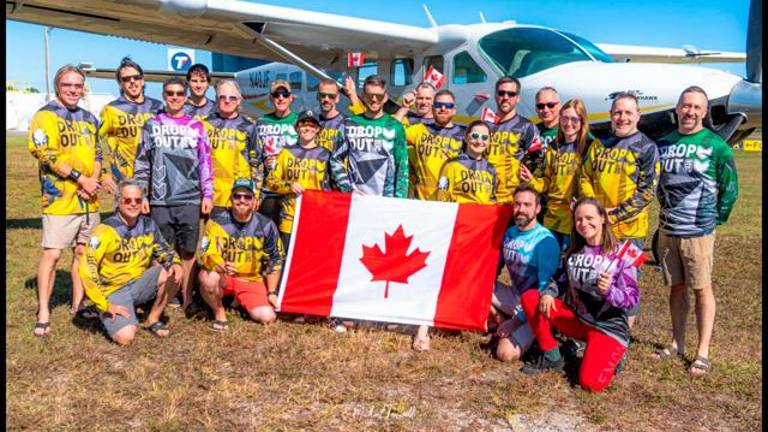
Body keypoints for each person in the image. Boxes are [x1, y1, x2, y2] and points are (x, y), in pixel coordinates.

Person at [652, 86, 739, 376]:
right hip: (667, 230)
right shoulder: (663, 143)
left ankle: (702, 352)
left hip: (698, 232)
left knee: (702, 289)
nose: (690, 112)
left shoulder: (716, 146)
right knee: (675, 288)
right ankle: (677, 343)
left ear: (704, 112)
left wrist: (712, 221)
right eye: (685, 106)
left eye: (696, 107)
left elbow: (730, 189)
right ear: (677, 108)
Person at [519, 198, 639, 393]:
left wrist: (610, 291)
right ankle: (552, 358)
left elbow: (632, 298)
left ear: (602, 218)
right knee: (531, 298)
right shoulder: (574, 251)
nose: (584, 224)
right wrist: (549, 293)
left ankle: (613, 354)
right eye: (578, 219)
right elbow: (557, 281)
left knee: (590, 383)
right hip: (578, 321)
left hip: (607, 329)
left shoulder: (621, 254)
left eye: (589, 218)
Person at [28, 65, 103, 336]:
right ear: (58, 86)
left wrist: (92, 181)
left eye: (78, 85)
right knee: (53, 253)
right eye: (67, 85)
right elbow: (42, 151)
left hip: (88, 200)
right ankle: (44, 310)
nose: (73, 90)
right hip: (59, 199)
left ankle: (78, 304)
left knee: (83, 252)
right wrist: (79, 179)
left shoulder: (89, 118)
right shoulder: (46, 116)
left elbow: (98, 154)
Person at [579, 92, 660, 328]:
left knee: (626, 283)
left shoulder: (647, 147)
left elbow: (646, 193)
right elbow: (585, 176)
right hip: (597, 229)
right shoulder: (598, 144)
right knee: (597, 279)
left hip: (630, 232)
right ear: (610, 115)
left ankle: (622, 335)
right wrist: (594, 212)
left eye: (627, 113)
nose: (622, 117)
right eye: (617, 112)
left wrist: (612, 215)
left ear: (638, 116)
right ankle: (596, 331)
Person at [133, 77, 214, 311]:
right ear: (164, 95)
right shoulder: (151, 125)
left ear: (186, 96)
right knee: (161, 252)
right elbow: (142, 163)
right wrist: (143, 196)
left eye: (180, 93)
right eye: (170, 93)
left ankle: (187, 297)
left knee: (188, 252)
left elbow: (205, 162)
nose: (175, 97)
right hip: (160, 199)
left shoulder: (196, 126)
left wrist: (207, 195)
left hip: (189, 198)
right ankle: (163, 296)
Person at [79, 180, 184, 345]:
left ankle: (153, 319)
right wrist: (105, 304)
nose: (133, 204)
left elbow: (164, 249)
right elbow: (87, 267)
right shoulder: (105, 230)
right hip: (114, 289)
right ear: (118, 202)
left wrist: (175, 263)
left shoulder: (148, 224)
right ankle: (103, 313)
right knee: (126, 337)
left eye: (137, 200)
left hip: (138, 283)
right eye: (128, 200)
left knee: (172, 272)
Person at [198, 178, 284, 331]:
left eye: (247, 197)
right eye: (237, 196)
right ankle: (219, 313)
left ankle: (240, 300)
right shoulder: (216, 221)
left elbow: (275, 258)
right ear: (231, 199)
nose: (242, 200)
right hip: (224, 278)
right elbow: (205, 252)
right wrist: (221, 265)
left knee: (268, 317)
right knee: (207, 277)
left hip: (251, 279)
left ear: (254, 201)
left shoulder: (266, 225)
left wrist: (271, 292)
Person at [492, 184, 560, 362]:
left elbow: (546, 288)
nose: (521, 209)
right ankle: (503, 319)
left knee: (505, 354)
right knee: (479, 285)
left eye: (527, 205)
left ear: (537, 208)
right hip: (514, 296)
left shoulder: (545, 241)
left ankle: (542, 329)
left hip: (534, 306)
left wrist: (517, 320)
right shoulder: (509, 234)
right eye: (517, 204)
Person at [522, 99, 594, 252]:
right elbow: (548, 182)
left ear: (582, 121)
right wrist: (532, 180)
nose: (568, 123)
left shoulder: (590, 147)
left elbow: (593, 182)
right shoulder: (554, 147)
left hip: (575, 218)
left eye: (574, 119)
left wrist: (586, 205)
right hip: (552, 216)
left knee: (571, 262)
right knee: (552, 261)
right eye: (564, 118)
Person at [330, 75, 408, 198]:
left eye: (379, 96)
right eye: (370, 96)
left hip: (386, 200)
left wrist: (399, 201)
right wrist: (348, 190)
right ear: (363, 96)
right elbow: (335, 159)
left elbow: (402, 167)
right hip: (356, 200)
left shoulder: (396, 127)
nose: (374, 100)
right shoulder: (348, 124)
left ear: (386, 97)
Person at [266, 109, 331, 248]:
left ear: (318, 129)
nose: (308, 128)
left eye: (312, 125)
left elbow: (332, 188)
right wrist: (289, 185)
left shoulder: (326, 155)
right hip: (289, 220)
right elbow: (271, 182)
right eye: (303, 124)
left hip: (315, 219)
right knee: (286, 264)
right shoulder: (286, 152)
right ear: (297, 128)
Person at [98, 57, 163, 194]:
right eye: (126, 79)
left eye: (136, 77)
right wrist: (103, 173)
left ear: (143, 80)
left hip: (157, 178)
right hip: (126, 180)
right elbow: (93, 140)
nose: (132, 81)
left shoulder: (158, 107)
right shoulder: (111, 110)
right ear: (120, 84)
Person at [202, 79, 258, 217]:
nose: (227, 101)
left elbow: (256, 163)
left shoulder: (249, 127)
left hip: (240, 197)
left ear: (239, 100)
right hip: (211, 198)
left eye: (232, 97)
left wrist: (256, 193)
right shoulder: (204, 124)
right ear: (216, 99)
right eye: (223, 97)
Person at [486, 76, 543, 204]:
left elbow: (537, 161)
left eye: (511, 94)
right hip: (485, 199)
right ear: (495, 95)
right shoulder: (484, 126)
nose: (506, 97)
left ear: (517, 98)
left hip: (513, 201)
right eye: (501, 93)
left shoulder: (527, 127)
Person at [402, 89, 465, 201]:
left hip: (449, 202)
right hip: (421, 200)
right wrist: (404, 108)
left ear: (454, 110)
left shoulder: (464, 136)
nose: (443, 109)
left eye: (448, 105)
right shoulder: (420, 130)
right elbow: (390, 131)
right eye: (438, 105)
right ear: (432, 108)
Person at [254, 79, 299, 227]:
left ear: (291, 98)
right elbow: (256, 157)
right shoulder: (261, 121)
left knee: (288, 238)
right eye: (276, 94)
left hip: (291, 190)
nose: (281, 98)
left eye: (285, 94)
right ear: (270, 97)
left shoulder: (300, 121)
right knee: (267, 234)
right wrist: (255, 190)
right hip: (268, 190)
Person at [437, 120, 498, 204]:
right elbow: (442, 197)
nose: (479, 142)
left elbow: (492, 200)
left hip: (481, 216)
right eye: (475, 136)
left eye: (484, 137)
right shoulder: (452, 165)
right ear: (466, 137)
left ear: (489, 141)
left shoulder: (491, 169)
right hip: (459, 215)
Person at [315, 78, 346, 152]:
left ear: (337, 98)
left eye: (331, 96)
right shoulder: (312, 123)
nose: (326, 99)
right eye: (322, 95)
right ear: (317, 96)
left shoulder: (346, 123)